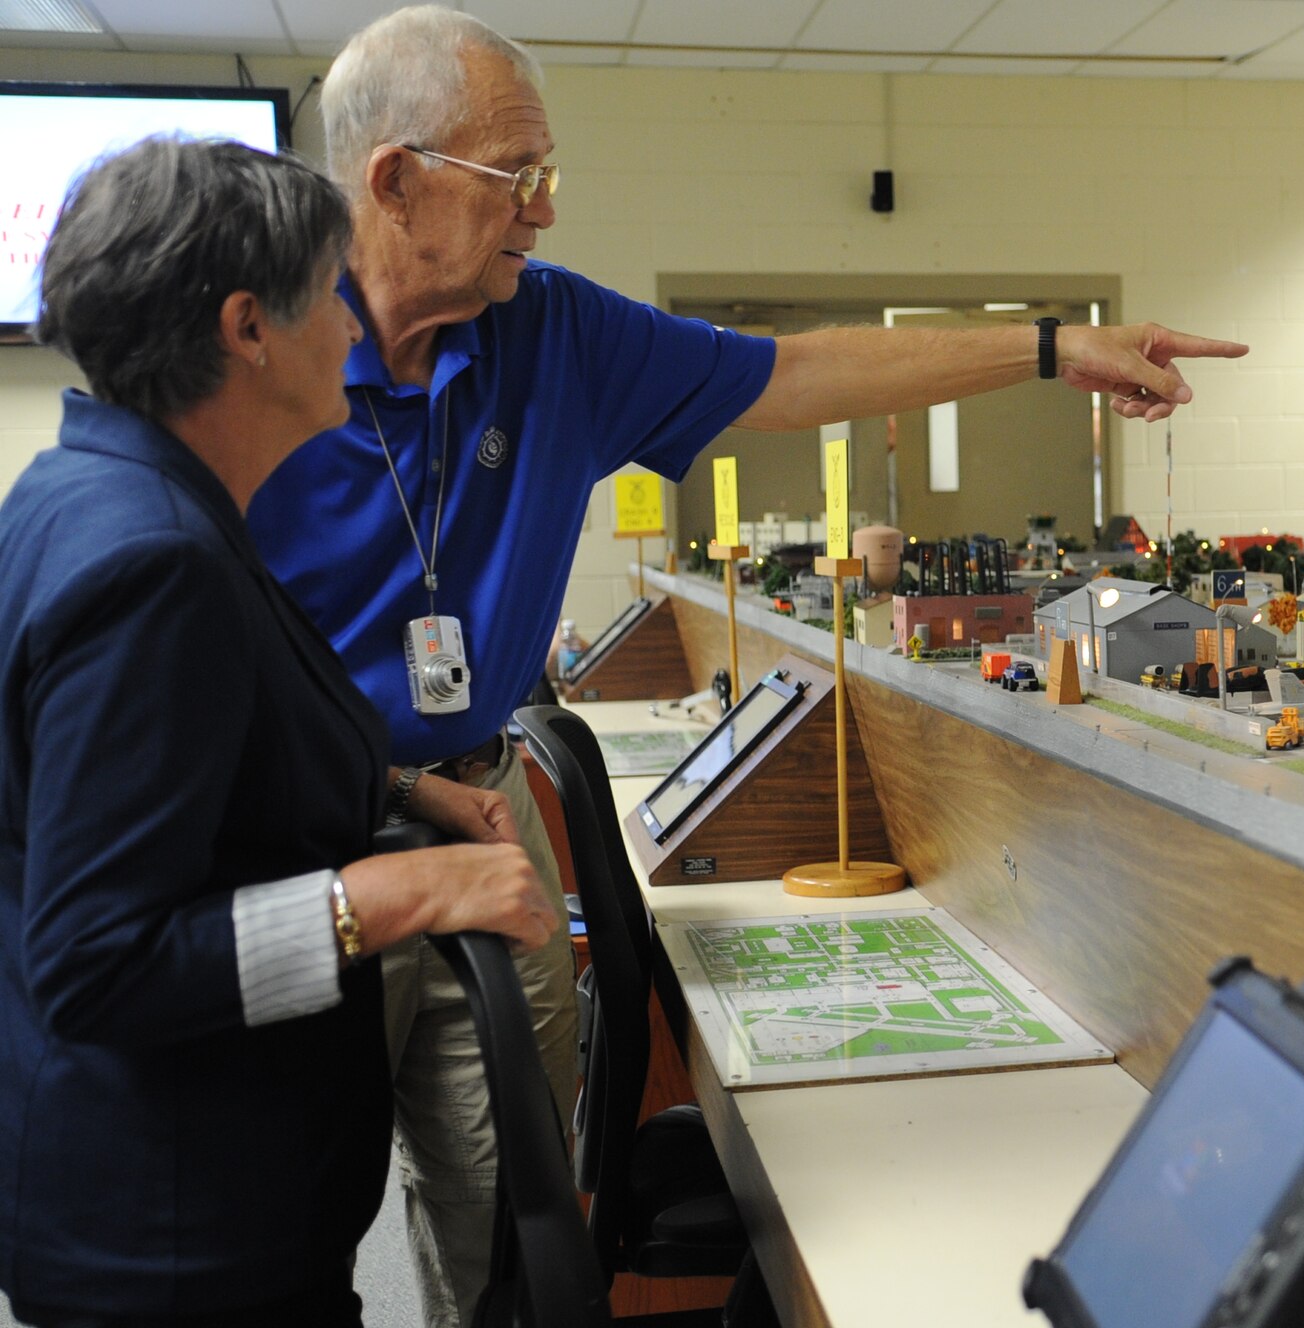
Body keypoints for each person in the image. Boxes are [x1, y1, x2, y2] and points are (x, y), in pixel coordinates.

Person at [244, 9, 1248, 1323]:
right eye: (515, 179)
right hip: (296, 838)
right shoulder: (256, 349)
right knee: (276, 1226)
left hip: (487, 821)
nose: (543, 213)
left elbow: (801, 371)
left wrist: (1053, 349)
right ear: (394, 178)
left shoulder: (552, 334)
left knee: (513, 1230)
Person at [0, 137, 559, 1327]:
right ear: (249, 326)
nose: (356, 332)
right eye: (332, 296)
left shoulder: (88, 490)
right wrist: (400, 894)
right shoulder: (154, 564)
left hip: (167, 1206)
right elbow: (102, 961)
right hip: (174, 1239)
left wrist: (403, 789)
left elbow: (198, 778)